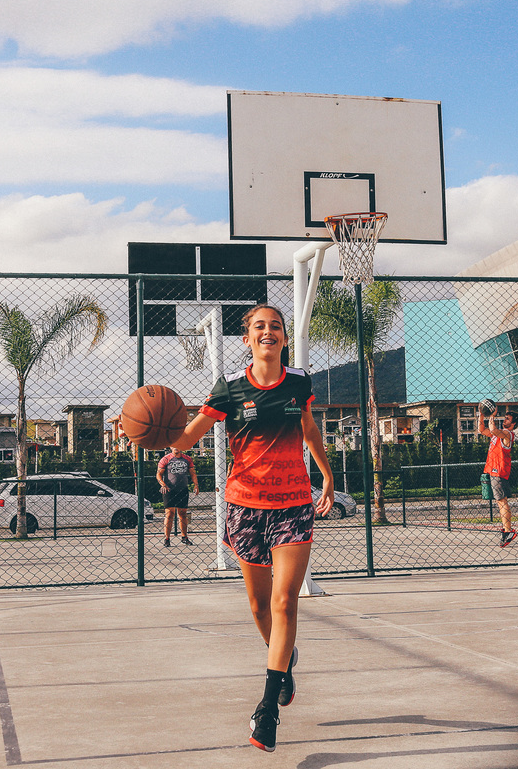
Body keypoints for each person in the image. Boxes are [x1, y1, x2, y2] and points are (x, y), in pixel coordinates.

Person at [167, 304, 333, 753]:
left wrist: (326, 474)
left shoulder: (299, 382)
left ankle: (267, 709)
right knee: (261, 607)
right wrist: (152, 432)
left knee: (285, 601)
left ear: (284, 338)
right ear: (247, 339)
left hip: (293, 505)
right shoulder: (229, 388)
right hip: (245, 507)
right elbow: (187, 438)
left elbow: (309, 429)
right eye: (259, 326)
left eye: (275, 326)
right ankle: (285, 660)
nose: (268, 331)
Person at [478, 405, 518, 546]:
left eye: (507, 419)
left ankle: (508, 530)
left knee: (502, 501)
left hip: (499, 470)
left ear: (513, 423)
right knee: (500, 501)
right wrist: (481, 415)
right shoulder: (498, 435)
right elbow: (481, 430)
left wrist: (492, 415)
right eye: (505, 418)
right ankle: (506, 529)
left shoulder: (507, 434)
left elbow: (493, 430)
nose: (505, 420)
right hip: (492, 470)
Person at [157, 446, 199, 546]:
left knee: (183, 514)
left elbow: (193, 473)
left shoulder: (187, 459)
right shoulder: (165, 459)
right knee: (169, 514)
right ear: (171, 447)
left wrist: (196, 485)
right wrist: (163, 484)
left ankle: (184, 537)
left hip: (182, 489)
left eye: (178, 445)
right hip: (169, 490)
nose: (176, 447)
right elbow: (158, 474)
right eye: (174, 445)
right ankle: (167, 539)